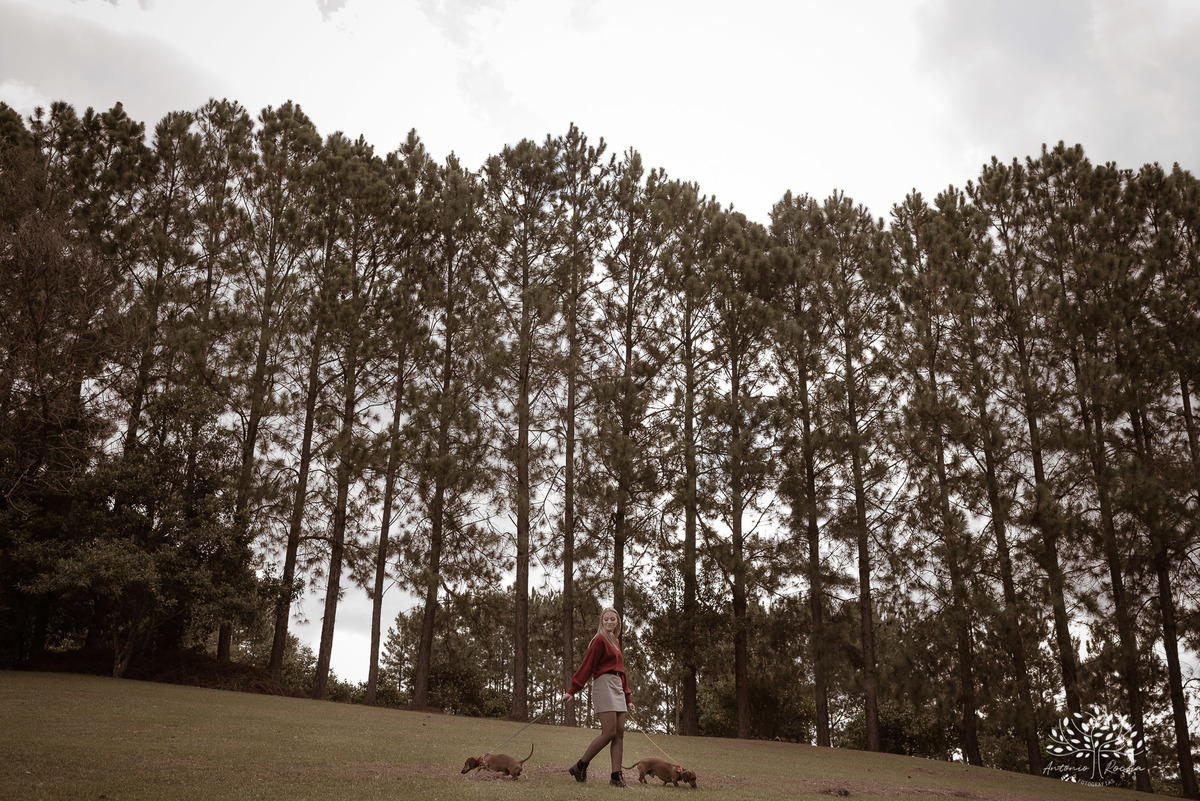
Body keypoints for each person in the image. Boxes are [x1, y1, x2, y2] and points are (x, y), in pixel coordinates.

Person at [562, 606, 636, 787]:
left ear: (618, 621)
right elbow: (587, 665)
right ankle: (580, 766)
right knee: (609, 731)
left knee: (619, 733)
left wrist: (628, 698)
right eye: (606, 619)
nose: (609, 622)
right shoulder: (599, 640)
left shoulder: (615, 642)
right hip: (603, 685)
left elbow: (622, 672)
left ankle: (616, 777)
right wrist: (573, 689)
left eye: (613, 619)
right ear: (601, 622)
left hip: (617, 686)